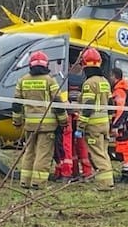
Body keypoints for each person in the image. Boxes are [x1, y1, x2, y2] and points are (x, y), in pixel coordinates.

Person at [12, 51, 68, 190]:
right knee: (43, 154)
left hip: (30, 125)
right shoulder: (50, 80)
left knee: (29, 152)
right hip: (47, 125)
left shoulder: (22, 80)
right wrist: (63, 121)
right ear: (46, 65)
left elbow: (16, 104)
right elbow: (57, 102)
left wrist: (17, 121)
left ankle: (25, 181)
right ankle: (38, 182)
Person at [76, 47, 114, 191]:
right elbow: (111, 104)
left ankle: (105, 185)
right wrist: (109, 122)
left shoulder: (89, 83)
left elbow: (87, 107)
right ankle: (108, 182)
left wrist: (80, 127)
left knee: (97, 155)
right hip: (104, 124)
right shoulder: (105, 81)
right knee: (103, 153)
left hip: (94, 126)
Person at [110, 67, 128, 183]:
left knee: (125, 148)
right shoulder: (125, 88)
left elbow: (120, 110)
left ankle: (127, 176)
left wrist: (115, 125)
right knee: (127, 148)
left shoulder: (120, 90)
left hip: (124, 124)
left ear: (115, 76)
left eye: (111, 76)